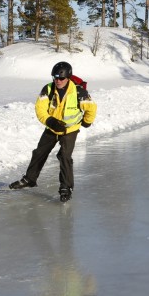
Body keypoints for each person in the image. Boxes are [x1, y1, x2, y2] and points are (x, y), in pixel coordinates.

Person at [10, 61, 97, 202]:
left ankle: (66, 187)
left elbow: (91, 107)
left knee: (64, 156)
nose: (58, 81)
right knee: (39, 152)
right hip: (52, 127)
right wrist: (50, 121)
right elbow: (40, 109)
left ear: (68, 77)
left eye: (61, 78)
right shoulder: (48, 89)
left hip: (70, 129)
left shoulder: (79, 92)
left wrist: (87, 121)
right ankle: (30, 179)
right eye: (55, 77)